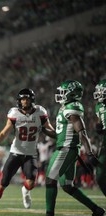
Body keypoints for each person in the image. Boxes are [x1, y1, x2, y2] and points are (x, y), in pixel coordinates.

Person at [0, 88, 56, 216]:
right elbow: (5, 131)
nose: (24, 101)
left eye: (27, 99)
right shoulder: (14, 113)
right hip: (16, 152)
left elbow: (49, 128)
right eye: (22, 99)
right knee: (3, 183)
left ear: (32, 100)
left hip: (31, 154)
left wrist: (58, 135)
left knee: (31, 183)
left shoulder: (40, 112)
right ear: (19, 100)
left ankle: (25, 190)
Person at [45, 80, 105, 216]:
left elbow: (82, 132)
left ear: (72, 94)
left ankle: (49, 214)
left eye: (64, 92)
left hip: (66, 149)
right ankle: (96, 210)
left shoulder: (72, 108)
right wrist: (42, 129)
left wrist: (89, 152)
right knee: (66, 186)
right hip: (66, 148)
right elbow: (58, 134)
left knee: (50, 179)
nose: (60, 95)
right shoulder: (64, 108)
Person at [93, 79, 106, 196]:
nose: (99, 93)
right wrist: (98, 126)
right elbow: (99, 121)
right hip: (105, 141)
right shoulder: (99, 105)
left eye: (102, 91)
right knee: (100, 175)